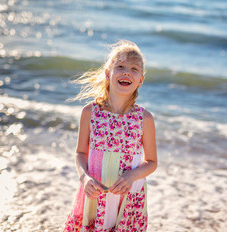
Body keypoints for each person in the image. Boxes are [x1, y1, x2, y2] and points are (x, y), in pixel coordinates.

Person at [63, 40, 157, 231]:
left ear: (141, 80)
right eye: (120, 66)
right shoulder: (90, 112)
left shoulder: (144, 118)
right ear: (108, 73)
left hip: (128, 198)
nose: (127, 72)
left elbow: (152, 162)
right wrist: (84, 178)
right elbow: (80, 153)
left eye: (134, 69)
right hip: (95, 195)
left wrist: (132, 175)